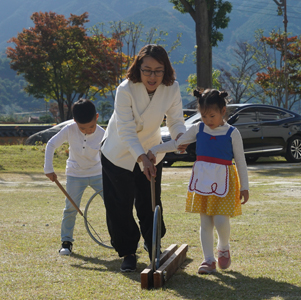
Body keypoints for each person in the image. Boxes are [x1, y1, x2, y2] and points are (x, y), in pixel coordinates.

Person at [100, 44, 186, 272]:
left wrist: (179, 137)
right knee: (120, 204)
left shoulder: (172, 88)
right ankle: (127, 251)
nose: (152, 76)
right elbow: (126, 130)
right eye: (147, 69)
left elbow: (176, 120)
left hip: (151, 150)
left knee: (150, 201)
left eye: (158, 70)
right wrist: (141, 158)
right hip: (118, 153)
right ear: (138, 68)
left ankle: (153, 244)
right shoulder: (125, 89)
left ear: (165, 70)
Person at [147, 89, 249, 274]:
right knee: (205, 221)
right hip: (202, 181)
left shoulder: (233, 133)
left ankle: (223, 247)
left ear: (223, 111)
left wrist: (245, 187)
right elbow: (176, 143)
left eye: (212, 115)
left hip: (224, 181)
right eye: (203, 116)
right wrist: (155, 149)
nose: (208, 120)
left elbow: (241, 161)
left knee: (220, 219)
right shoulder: (197, 129)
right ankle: (208, 260)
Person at [44, 99, 105, 255]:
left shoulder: (104, 134)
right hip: (75, 174)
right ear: (75, 121)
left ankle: (120, 240)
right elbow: (51, 144)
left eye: (91, 126)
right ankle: (66, 242)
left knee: (114, 206)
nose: (87, 130)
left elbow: (109, 156)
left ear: (97, 117)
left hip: (98, 174)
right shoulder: (69, 129)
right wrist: (48, 169)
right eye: (82, 127)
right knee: (70, 208)